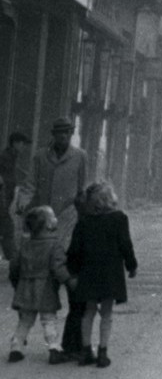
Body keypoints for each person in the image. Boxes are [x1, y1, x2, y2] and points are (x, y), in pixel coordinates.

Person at [26, 117, 89, 360]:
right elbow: (31, 183)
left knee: (62, 260)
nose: (63, 137)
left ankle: (65, 340)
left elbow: (82, 189)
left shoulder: (80, 156)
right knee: (46, 270)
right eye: (59, 133)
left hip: (69, 217)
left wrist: (84, 216)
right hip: (44, 217)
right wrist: (23, 204)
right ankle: (47, 335)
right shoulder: (40, 156)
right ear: (53, 135)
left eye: (67, 133)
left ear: (72, 134)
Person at [66, 182, 136, 368]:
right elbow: (125, 245)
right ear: (109, 199)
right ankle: (103, 352)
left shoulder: (84, 222)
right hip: (110, 274)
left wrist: (73, 272)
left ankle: (86, 351)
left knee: (88, 312)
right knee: (106, 313)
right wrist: (131, 266)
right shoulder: (119, 219)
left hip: (88, 273)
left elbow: (74, 250)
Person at [7, 206, 76, 364]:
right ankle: (53, 347)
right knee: (49, 319)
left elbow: (14, 266)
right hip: (45, 288)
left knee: (25, 320)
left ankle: (16, 347)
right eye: (52, 217)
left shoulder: (24, 244)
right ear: (48, 225)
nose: (56, 219)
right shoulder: (54, 245)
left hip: (25, 287)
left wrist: (16, 282)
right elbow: (58, 267)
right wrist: (68, 280)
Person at [0, 132, 31, 261]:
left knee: (7, 229)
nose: (24, 147)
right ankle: (13, 260)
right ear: (15, 143)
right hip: (1, 201)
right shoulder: (5, 157)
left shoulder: (12, 157)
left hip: (4, 202)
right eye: (23, 144)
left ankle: (13, 258)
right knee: (8, 229)